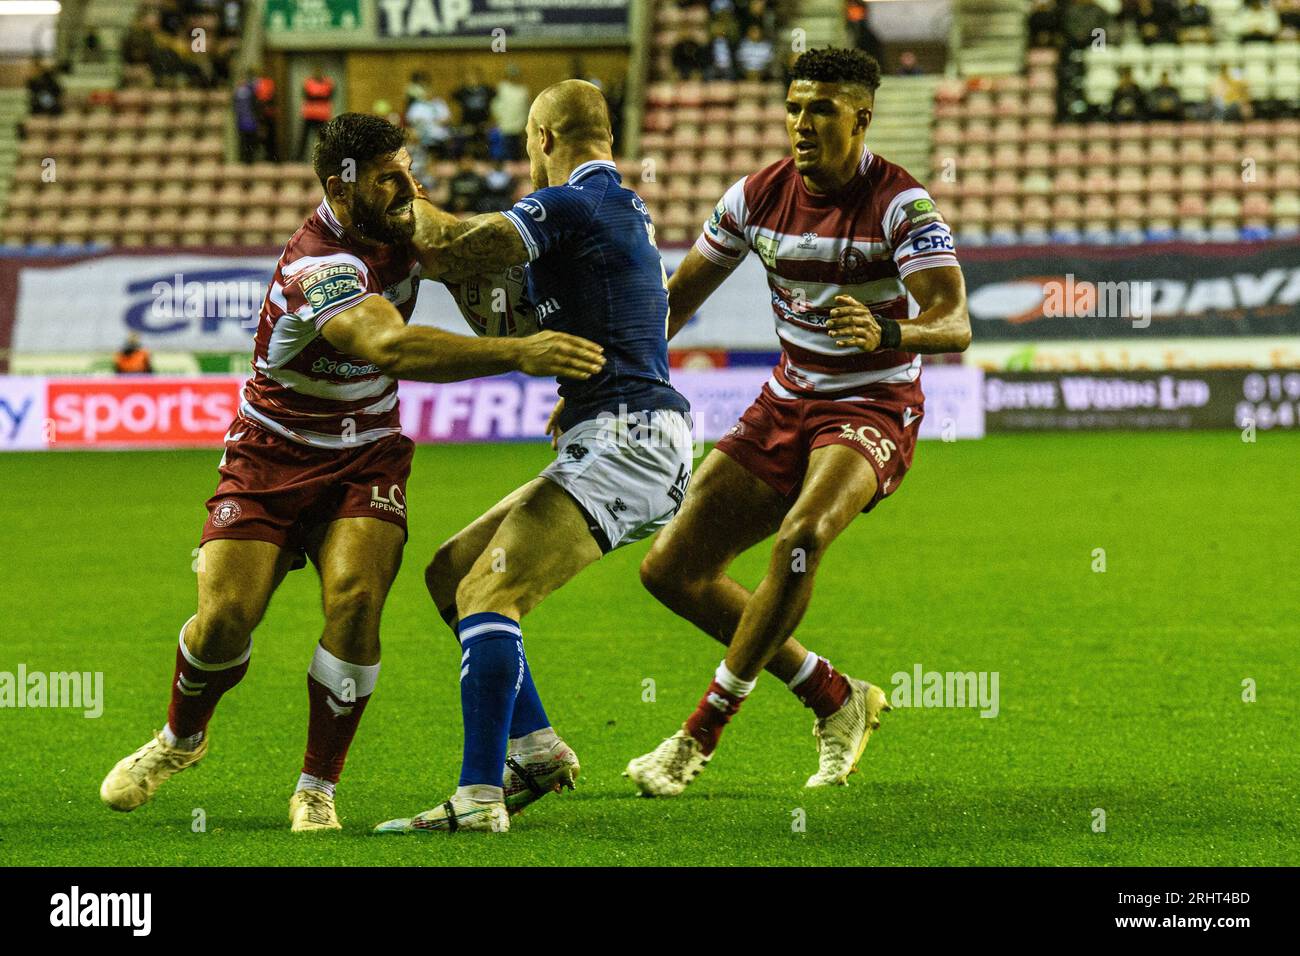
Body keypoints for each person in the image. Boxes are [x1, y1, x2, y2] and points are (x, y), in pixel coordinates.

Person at [97, 113, 605, 833]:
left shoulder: (405, 224)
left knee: (356, 602)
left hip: (367, 453)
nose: (408, 185)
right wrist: (522, 354)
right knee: (225, 622)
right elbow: (390, 346)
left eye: (406, 168)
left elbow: (473, 266)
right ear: (342, 188)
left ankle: (316, 786)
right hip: (271, 452)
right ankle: (179, 740)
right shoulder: (320, 263)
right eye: (387, 177)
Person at [625, 48, 970, 796]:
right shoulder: (754, 197)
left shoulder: (902, 205)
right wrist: (616, 381)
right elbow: (676, 302)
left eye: (820, 110)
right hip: (788, 399)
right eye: (793, 107)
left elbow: (955, 320)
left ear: (861, 118)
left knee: (803, 536)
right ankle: (834, 695)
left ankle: (696, 737)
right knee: (670, 570)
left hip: (872, 403)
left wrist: (889, 333)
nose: (801, 124)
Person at [373, 80, 693, 835]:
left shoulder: (576, 200)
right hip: (614, 426)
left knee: (489, 595)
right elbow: (617, 303)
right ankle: (538, 748)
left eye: (527, 141)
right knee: (452, 573)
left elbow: (462, 243)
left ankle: (478, 798)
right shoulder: (616, 207)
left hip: (629, 440)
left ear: (542, 137)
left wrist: (405, 197)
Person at [491, 65, 530, 161]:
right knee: (505, 153)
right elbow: (495, 105)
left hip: (519, 126)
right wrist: (498, 120)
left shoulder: (523, 90)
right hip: (504, 126)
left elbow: (526, 108)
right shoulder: (502, 88)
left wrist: (524, 124)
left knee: (517, 153)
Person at [298, 67, 334, 161]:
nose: (317, 72)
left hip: (322, 114)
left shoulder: (328, 82)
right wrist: (319, 95)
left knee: (324, 138)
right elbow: (307, 96)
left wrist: (316, 95)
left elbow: (329, 96)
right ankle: (299, 158)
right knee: (304, 138)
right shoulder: (308, 82)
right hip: (309, 113)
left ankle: (326, 158)